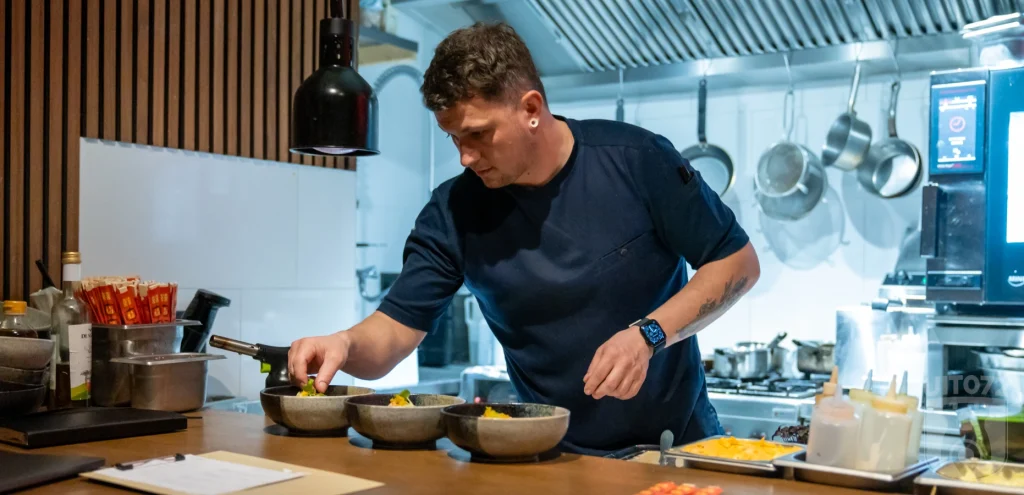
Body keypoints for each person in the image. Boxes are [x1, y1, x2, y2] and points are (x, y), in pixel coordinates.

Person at [288, 22, 760, 456]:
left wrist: (648, 335)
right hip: (550, 460)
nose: (465, 157)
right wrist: (345, 345)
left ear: (531, 109)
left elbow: (737, 263)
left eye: (478, 134)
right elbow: (393, 330)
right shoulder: (454, 211)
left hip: (676, 450)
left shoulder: (637, 161)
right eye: (453, 138)